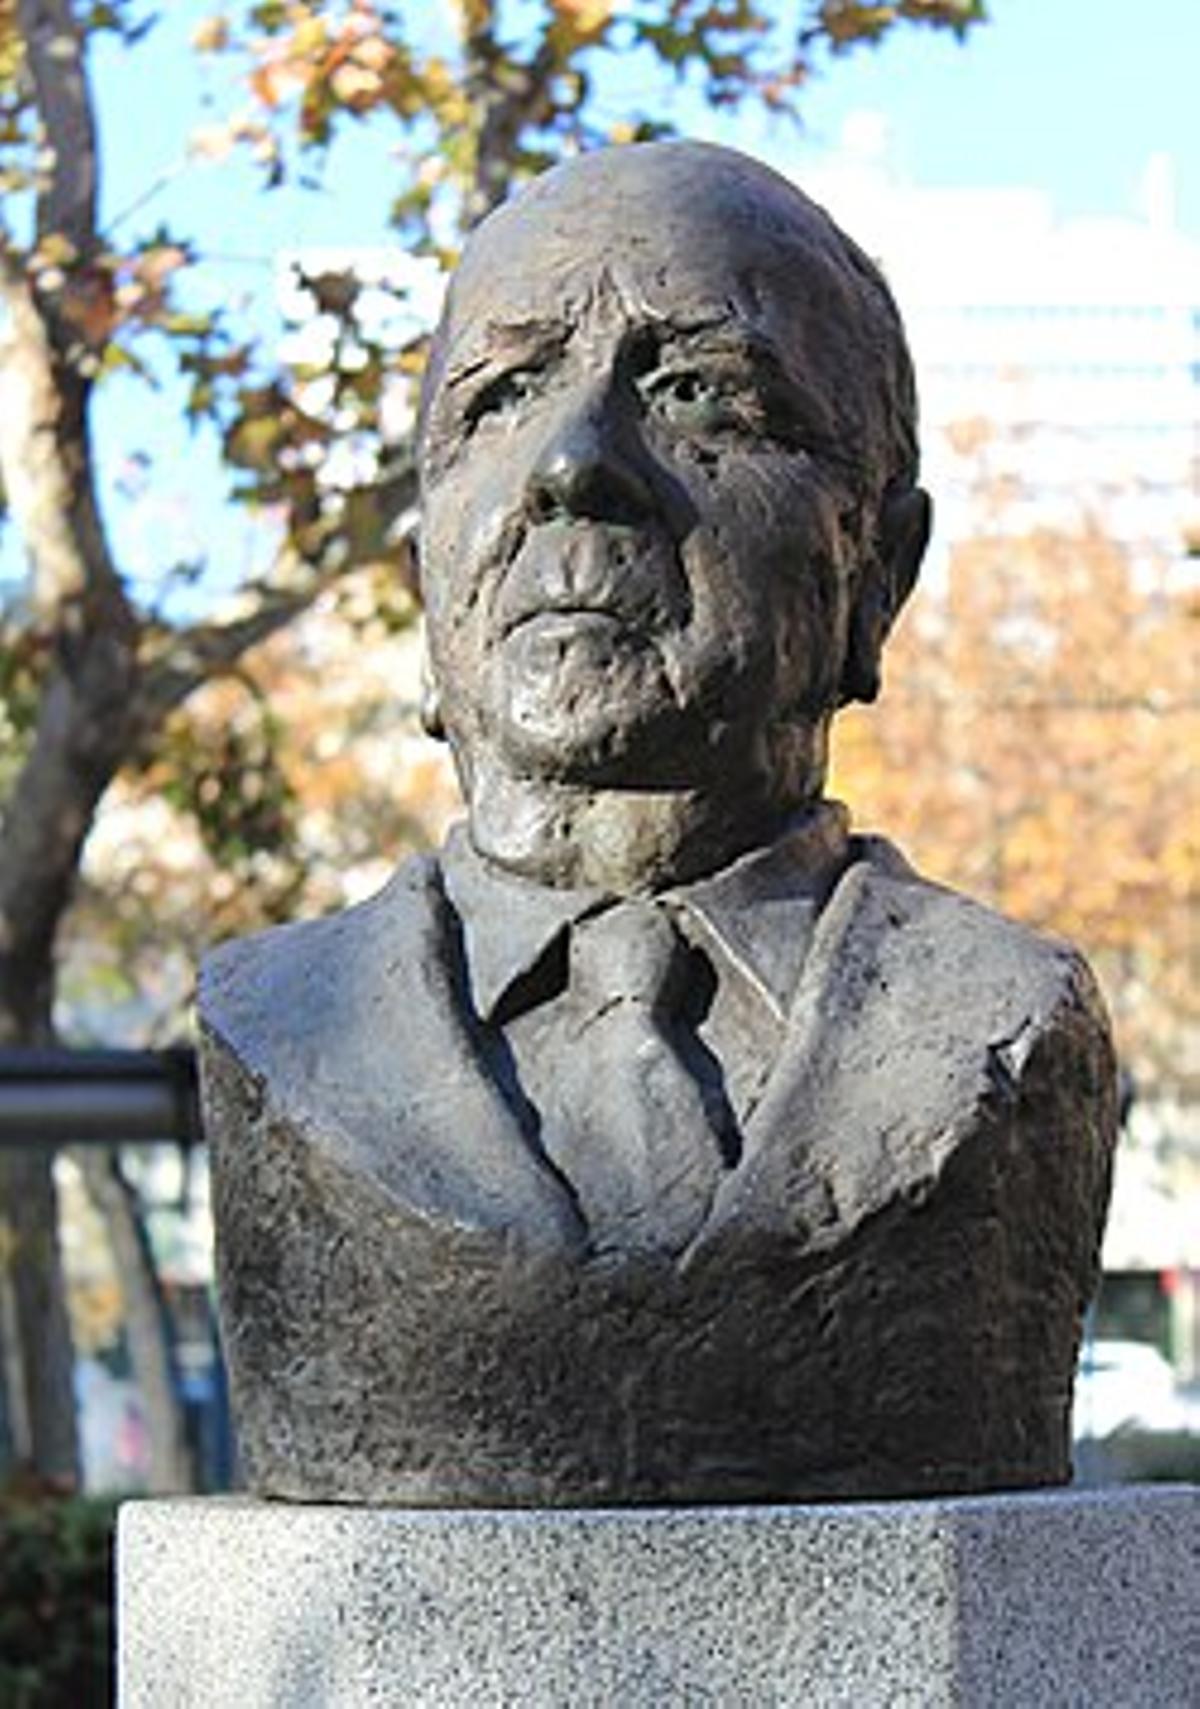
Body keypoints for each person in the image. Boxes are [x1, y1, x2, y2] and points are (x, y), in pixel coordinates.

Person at [200, 142, 1116, 1505]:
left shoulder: (1006, 1022)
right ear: (424, 572)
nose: (574, 464)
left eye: (702, 395)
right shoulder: (278, 1027)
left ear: (879, 569)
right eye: (502, 397)